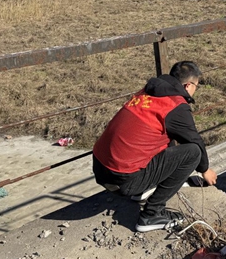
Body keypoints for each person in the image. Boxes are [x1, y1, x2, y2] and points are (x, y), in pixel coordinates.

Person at [92, 61, 217, 232]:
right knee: (193, 153)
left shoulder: (148, 92)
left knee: (162, 136)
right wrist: (205, 170)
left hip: (101, 169)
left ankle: (140, 191)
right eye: (197, 86)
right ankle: (151, 214)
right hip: (123, 180)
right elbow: (195, 141)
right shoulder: (175, 106)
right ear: (188, 85)